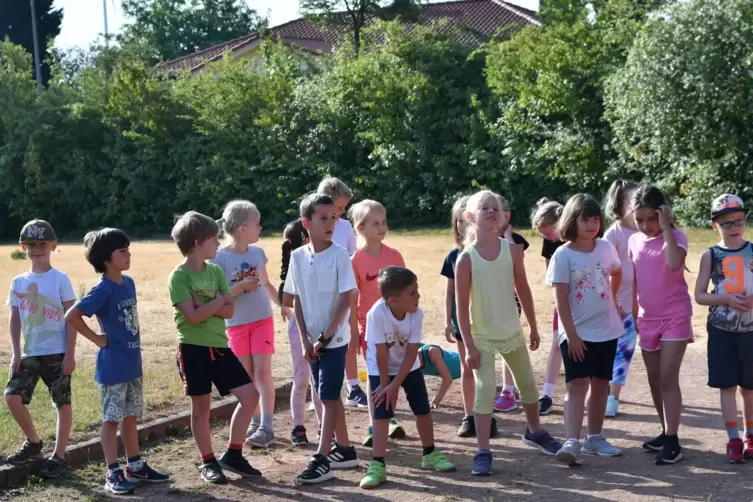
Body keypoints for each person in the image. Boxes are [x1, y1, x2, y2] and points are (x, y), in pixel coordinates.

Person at [456, 190, 562, 476]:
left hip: (512, 333)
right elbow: (460, 309)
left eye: (496, 208)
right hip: (482, 338)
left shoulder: (513, 251)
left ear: (504, 217)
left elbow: (523, 290)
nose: (491, 211)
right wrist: (469, 346)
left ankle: (534, 432)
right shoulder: (465, 259)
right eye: (484, 208)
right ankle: (483, 451)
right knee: (485, 389)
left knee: (528, 385)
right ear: (470, 217)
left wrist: (534, 326)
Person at [66, 228, 168, 494]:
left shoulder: (129, 283)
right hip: (112, 368)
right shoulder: (103, 289)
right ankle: (112, 471)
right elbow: (73, 315)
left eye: (128, 248)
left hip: (132, 364)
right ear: (106, 259)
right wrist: (97, 338)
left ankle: (134, 464)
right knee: (111, 420)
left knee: (131, 416)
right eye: (122, 250)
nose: (128, 254)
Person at [167, 212, 262, 484]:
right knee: (201, 409)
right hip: (192, 349)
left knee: (250, 396)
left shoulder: (216, 271)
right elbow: (193, 317)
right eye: (213, 239)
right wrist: (218, 302)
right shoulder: (179, 277)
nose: (218, 244)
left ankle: (233, 454)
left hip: (219, 347)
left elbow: (230, 310)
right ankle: (207, 462)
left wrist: (206, 304)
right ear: (198, 243)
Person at [284, 193, 359, 485]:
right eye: (323, 218)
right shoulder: (297, 257)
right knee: (329, 397)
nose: (330, 223)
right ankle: (346, 450)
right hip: (312, 342)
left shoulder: (340, 254)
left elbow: (346, 299)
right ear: (307, 222)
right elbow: (297, 300)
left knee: (327, 397)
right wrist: (305, 340)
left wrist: (326, 337)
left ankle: (321, 458)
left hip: (335, 340)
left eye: (334, 218)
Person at [359, 267, 456, 489]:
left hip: (408, 366)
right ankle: (378, 465)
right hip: (379, 369)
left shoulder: (416, 313)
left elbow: (412, 351)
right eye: (412, 293)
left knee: (422, 410)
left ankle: (429, 454)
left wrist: (396, 384)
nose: (418, 296)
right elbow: (381, 351)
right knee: (381, 415)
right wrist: (386, 385)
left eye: (417, 290)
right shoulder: (377, 314)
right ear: (393, 300)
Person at [547, 194, 625, 466]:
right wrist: (572, 335)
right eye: (584, 219)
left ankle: (595, 437)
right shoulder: (563, 254)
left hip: (607, 329)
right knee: (576, 385)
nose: (592, 224)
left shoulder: (605, 247)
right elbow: (560, 298)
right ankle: (571, 441)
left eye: (595, 218)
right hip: (577, 334)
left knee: (601, 384)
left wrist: (613, 301)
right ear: (572, 220)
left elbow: (617, 272)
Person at [212, 200, 292, 448]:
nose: (260, 227)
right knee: (246, 377)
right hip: (235, 324)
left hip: (262, 321)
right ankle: (255, 422)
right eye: (256, 223)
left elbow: (266, 284)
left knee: (263, 372)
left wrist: (283, 305)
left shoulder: (258, 253)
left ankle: (267, 425)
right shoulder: (219, 258)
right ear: (242, 228)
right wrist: (240, 287)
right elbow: (219, 297)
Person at [5, 220, 77, 479]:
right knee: (12, 397)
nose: (37, 249)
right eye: (31, 244)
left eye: (42, 244)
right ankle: (34, 443)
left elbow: (72, 318)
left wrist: (70, 353)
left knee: (62, 401)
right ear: (23, 247)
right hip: (31, 352)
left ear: (53, 245)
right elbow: (14, 318)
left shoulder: (60, 279)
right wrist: (15, 352)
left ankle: (59, 456)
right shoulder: (18, 281)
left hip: (57, 351)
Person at [629, 184, 692, 465]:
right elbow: (635, 280)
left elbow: (673, 262)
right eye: (639, 219)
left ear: (663, 213)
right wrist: (632, 312)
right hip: (647, 318)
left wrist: (665, 228)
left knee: (668, 378)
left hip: (675, 317)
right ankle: (666, 432)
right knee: (654, 379)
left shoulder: (676, 237)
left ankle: (674, 441)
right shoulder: (633, 241)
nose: (645, 226)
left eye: (651, 219)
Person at [695, 194, 753, 463]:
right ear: (713, 225)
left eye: (739, 221)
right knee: (727, 386)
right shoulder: (711, 255)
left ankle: (750, 435)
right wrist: (726, 299)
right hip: (721, 330)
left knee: (749, 388)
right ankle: (732, 440)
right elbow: (700, 295)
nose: (734, 227)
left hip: (750, 331)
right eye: (726, 223)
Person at [347, 199, 407, 446]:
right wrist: (353, 329)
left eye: (384, 222)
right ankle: (375, 423)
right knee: (375, 374)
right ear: (360, 228)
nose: (382, 227)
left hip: (395, 326)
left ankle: (390, 417)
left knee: (392, 372)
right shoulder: (356, 260)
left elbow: (406, 291)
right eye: (375, 223)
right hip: (369, 327)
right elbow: (352, 299)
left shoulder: (394, 255)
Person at [440, 196, 497, 439]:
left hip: (488, 321)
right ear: (457, 226)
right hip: (464, 323)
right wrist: (447, 320)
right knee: (467, 368)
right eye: (461, 222)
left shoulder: (491, 252)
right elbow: (450, 292)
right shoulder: (454, 256)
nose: (467, 226)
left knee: (487, 370)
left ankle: (487, 414)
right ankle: (469, 415)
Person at [317, 177, 367, 409]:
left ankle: (353, 386)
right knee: (319, 339)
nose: (341, 212)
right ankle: (318, 390)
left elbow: (352, 257)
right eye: (339, 207)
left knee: (345, 339)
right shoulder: (308, 225)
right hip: (316, 295)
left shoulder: (345, 227)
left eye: (343, 208)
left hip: (341, 292)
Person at [279, 219, 323, 446]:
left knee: (312, 380)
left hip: (314, 328)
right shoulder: (300, 265)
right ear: (306, 238)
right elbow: (286, 299)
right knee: (305, 379)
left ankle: (320, 427)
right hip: (302, 328)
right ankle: (300, 427)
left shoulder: (319, 261)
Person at [603, 180, 640, 418]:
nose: (636, 205)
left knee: (624, 352)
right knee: (609, 352)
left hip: (638, 304)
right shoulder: (613, 234)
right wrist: (612, 303)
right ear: (619, 204)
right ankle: (606, 394)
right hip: (614, 304)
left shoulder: (645, 232)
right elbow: (603, 271)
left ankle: (613, 396)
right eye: (632, 200)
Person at [493, 194, 530, 413]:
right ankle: (504, 387)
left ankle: (508, 389)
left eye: (498, 212)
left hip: (509, 301)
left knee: (508, 346)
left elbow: (513, 261)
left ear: (507, 216)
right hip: (486, 301)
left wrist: (507, 234)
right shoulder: (481, 239)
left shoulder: (514, 240)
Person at [530, 198, 565, 416]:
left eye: (548, 233)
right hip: (562, 301)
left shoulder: (582, 238)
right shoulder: (550, 243)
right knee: (556, 344)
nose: (547, 238)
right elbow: (550, 275)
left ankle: (599, 389)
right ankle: (547, 395)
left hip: (586, 302)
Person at [417, 343, 462, 408]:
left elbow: (448, 379)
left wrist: (436, 401)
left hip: (466, 365)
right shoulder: (402, 359)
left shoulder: (431, 352)